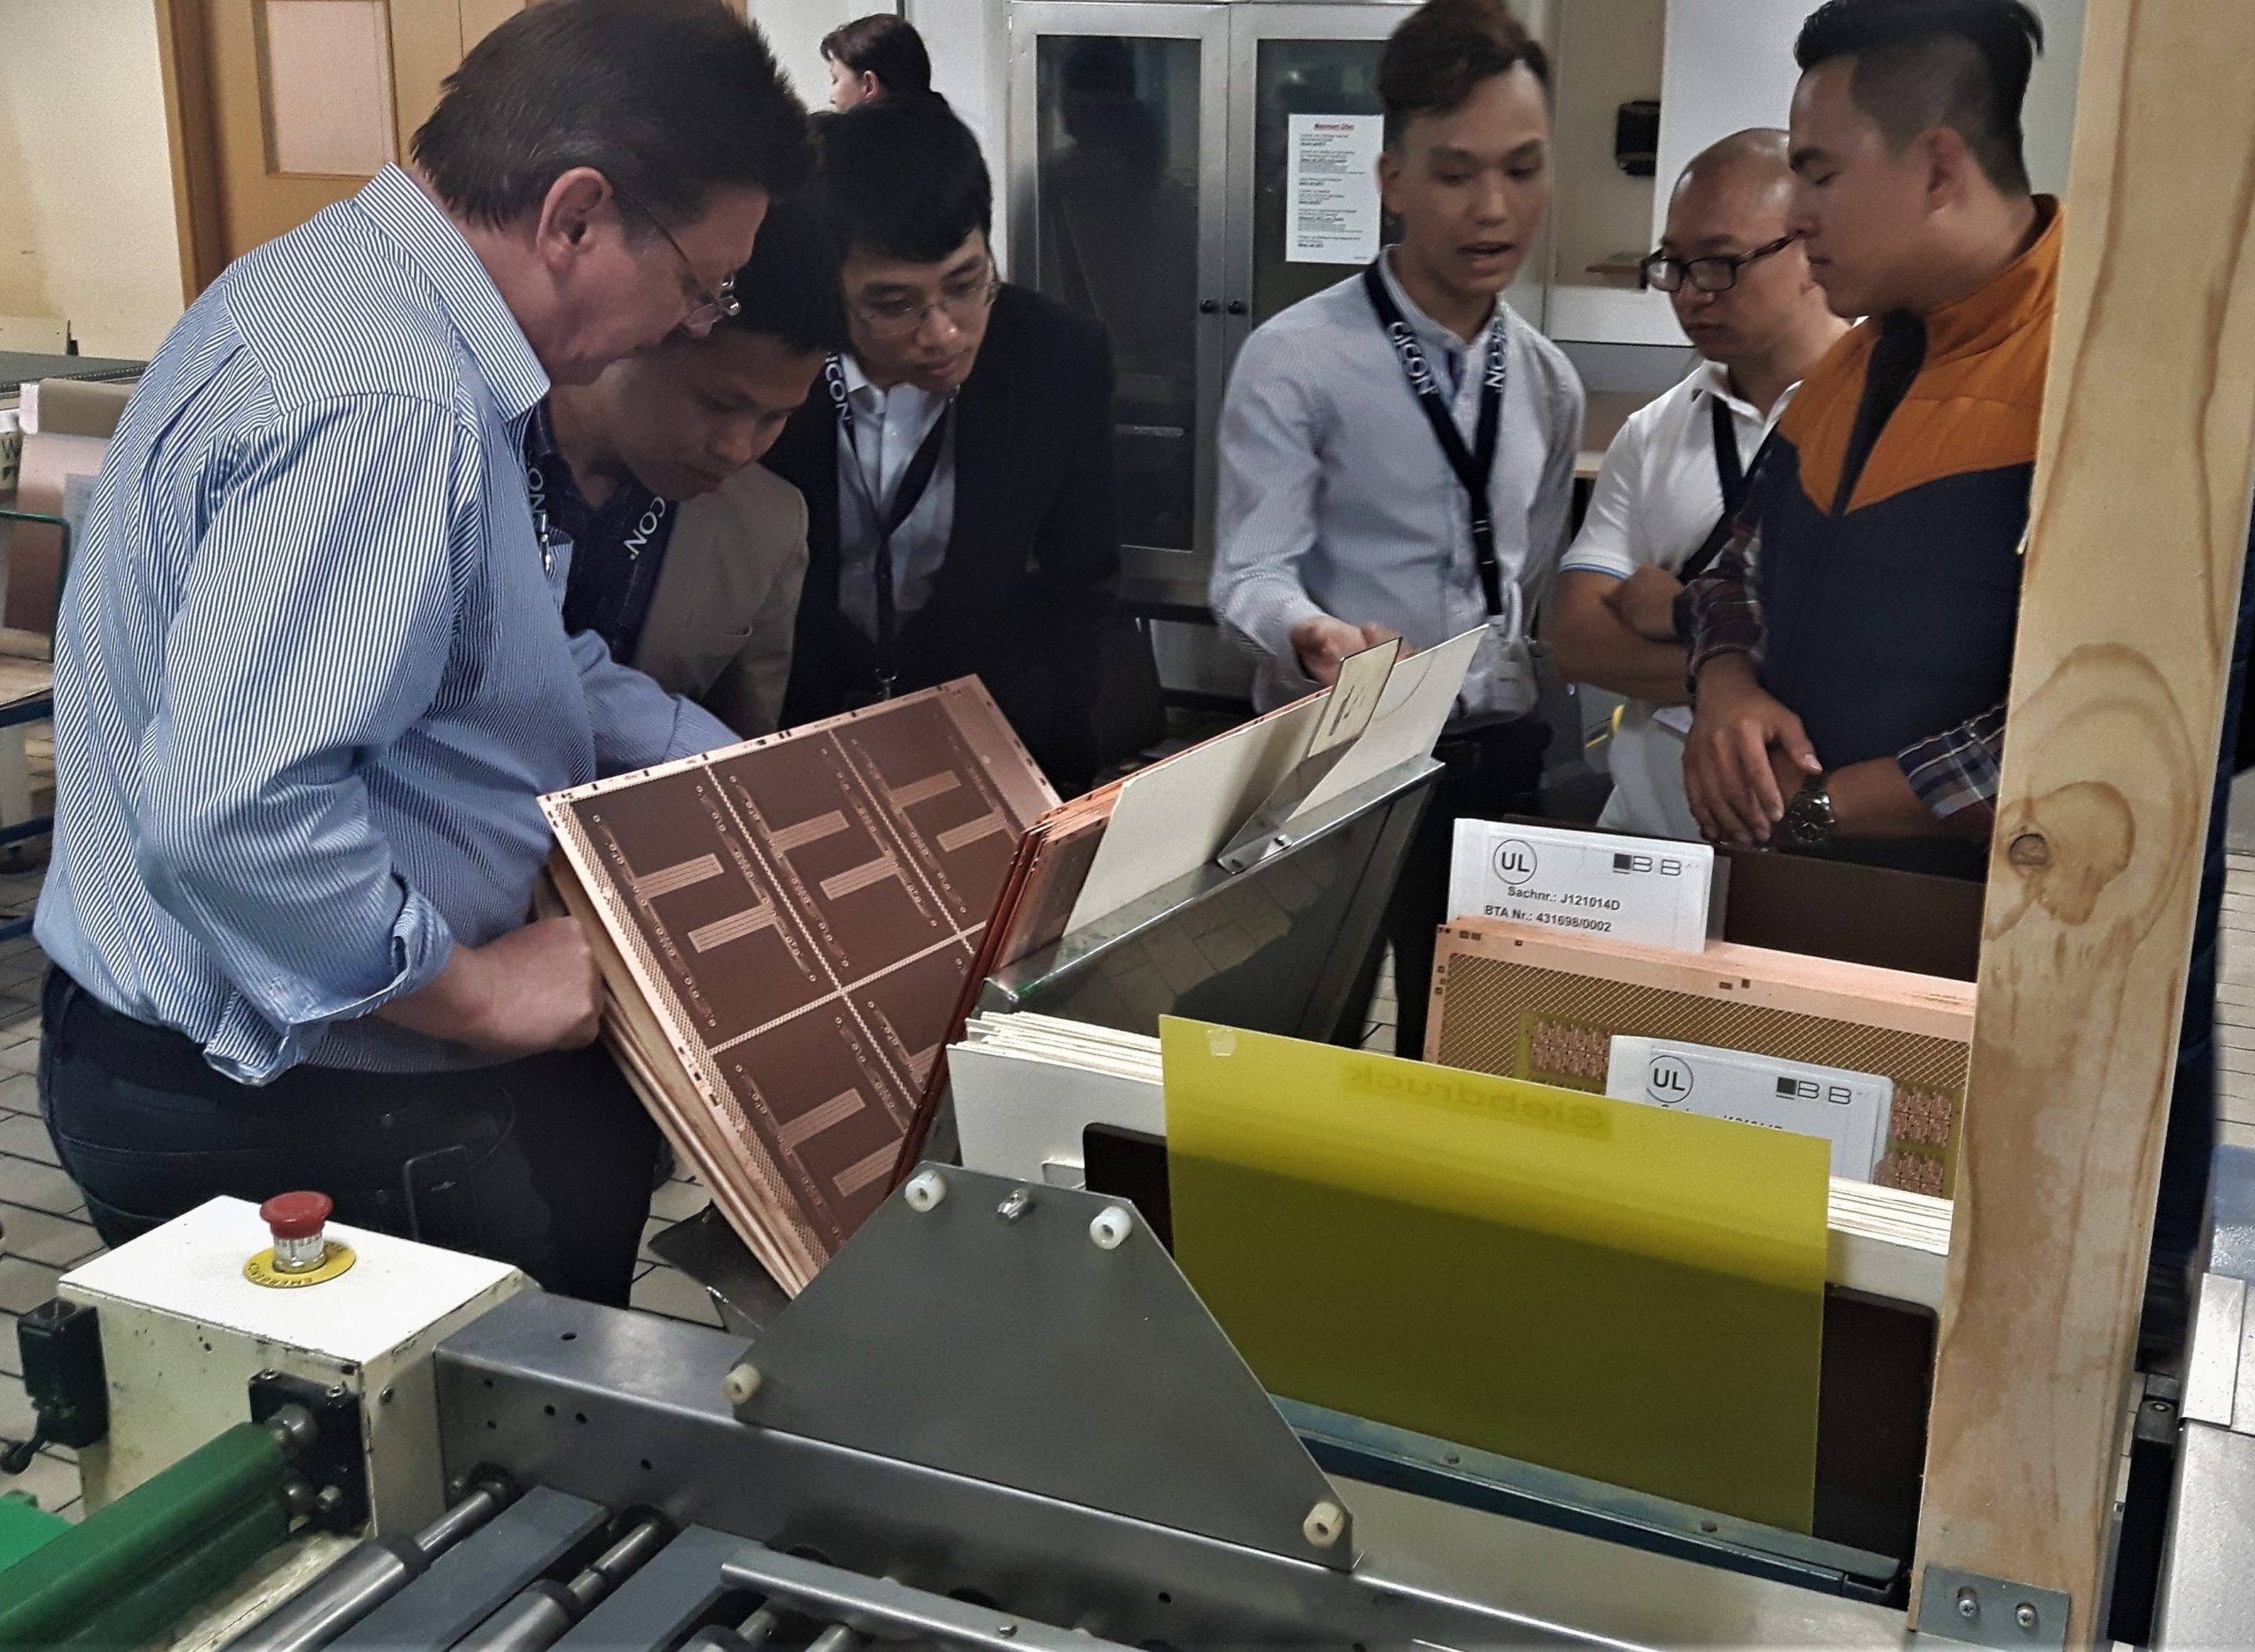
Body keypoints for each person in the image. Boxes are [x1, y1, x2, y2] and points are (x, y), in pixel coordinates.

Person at [33, 0, 810, 1308]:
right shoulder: (392, 400)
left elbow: (502, 649)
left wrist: (737, 773)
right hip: (302, 1101)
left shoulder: (332, 288)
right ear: (575, 216)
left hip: (204, 1059)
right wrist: (475, 991)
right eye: (699, 284)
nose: (694, 322)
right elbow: (235, 813)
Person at [1209, 0, 1582, 1058]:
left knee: (1470, 1048)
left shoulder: (1547, 381)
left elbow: (1528, 574)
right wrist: (1309, 632)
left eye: (1522, 169)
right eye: (1455, 173)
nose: (1493, 207)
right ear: (1392, 181)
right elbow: (1247, 572)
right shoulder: (1297, 359)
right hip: (1339, 758)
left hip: (1495, 759)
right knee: (1302, 1039)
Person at [1679, 0, 2052, 881]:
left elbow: (2096, 718)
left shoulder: (2096, 377)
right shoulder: (1850, 365)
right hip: (1790, 895)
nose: (1797, 215)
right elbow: (1732, 570)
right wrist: (1725, 691)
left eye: (1820, 176)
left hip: (1990, 930)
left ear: (1938, 170)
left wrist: (1816, 810)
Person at [764, 95, 1120, 791]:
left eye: (965, 284)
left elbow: (1082, 577)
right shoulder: (772, 362)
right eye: (893, 305)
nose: (943, 333)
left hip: (988, 729)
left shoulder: (1056, 357)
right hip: (799, 728)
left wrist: (1058, 754)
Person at [1549, 129, 1846, 841]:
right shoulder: (1653, 431)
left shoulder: (1895, 414)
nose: (1688, 294)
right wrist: (1726, 676)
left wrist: (1680, 612)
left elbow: (1861, 655)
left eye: (1718, 264)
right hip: (1644, 832)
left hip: (1815, 841)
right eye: (1673, 266)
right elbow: (1577, 638)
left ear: (1812, 246)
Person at [541, 196, 847, 736]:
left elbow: (746, 753)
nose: (738, 449)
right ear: (643, 328)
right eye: (719, 404)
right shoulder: (461, 447)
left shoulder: (769, 526)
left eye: (776, 417)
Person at [822, 14, 932, 110]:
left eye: (835, 79)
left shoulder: (849, 127)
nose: (831, 98)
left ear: (869, 85)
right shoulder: (938, 124)